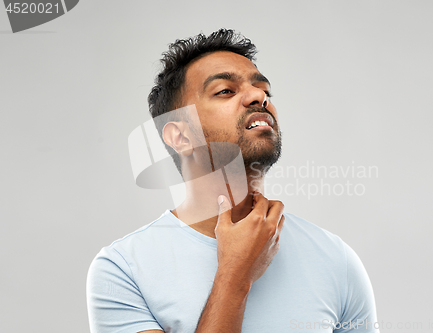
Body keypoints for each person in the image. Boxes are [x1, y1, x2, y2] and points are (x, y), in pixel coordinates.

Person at [87, 29, 379, 333]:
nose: (258, 96)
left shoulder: (336, 259)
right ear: (181, 136)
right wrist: (236, 273)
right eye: (225, 91)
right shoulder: (123, 269)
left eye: (263, 89)